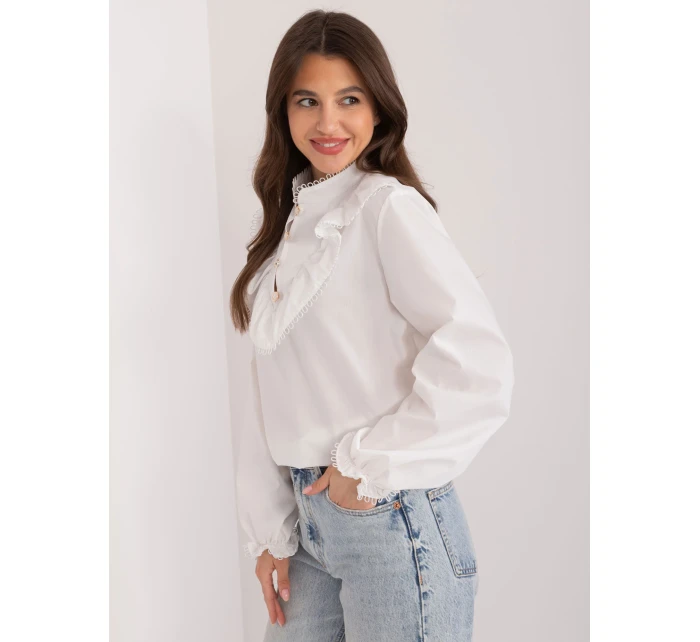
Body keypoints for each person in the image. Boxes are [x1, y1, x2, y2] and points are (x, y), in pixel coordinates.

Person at [229, 10, 514, 642]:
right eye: (307, 101)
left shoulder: (387, 209)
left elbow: (478, 362)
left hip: (388, 516)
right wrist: (270, 532)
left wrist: (367, 468)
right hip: (308, 528)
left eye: (349, 100)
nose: (328, 123)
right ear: (283, 112)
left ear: (379, 110)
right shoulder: (285, 234)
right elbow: (269, 394)